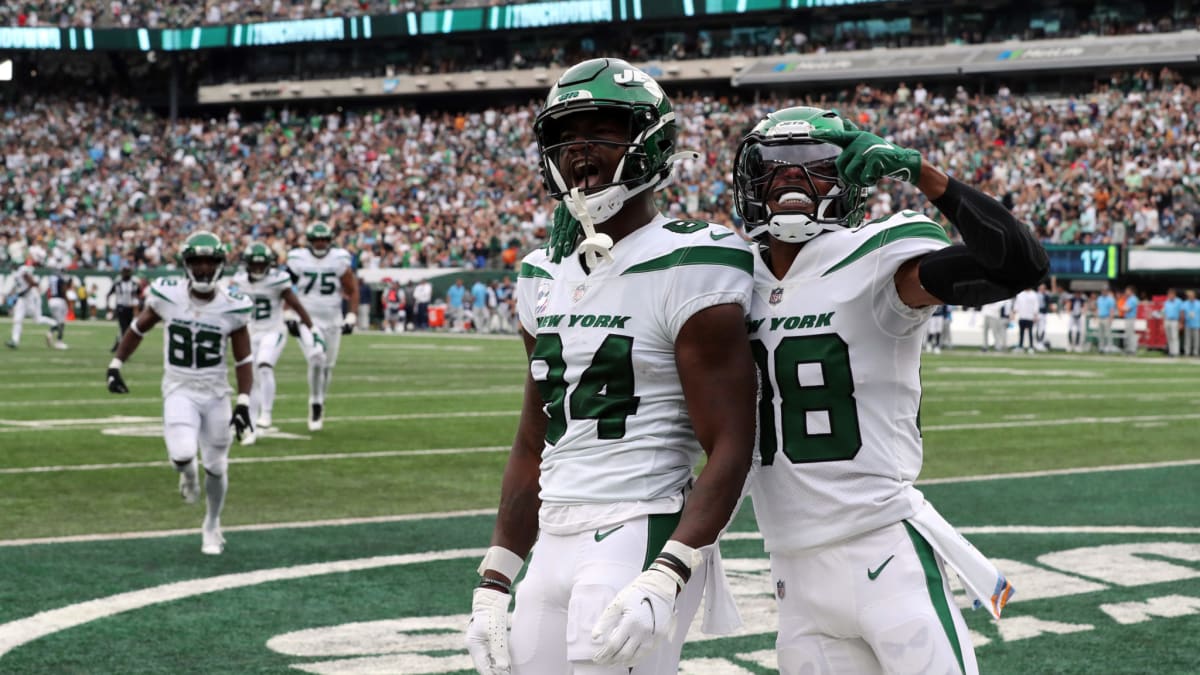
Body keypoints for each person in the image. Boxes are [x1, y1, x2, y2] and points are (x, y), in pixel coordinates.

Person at [465, 58, 757, 675]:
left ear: (651, 144)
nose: (580, 151)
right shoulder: (541, 275)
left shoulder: (694, 260)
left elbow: (732, 441)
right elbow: (535, 437)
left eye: (602, 131)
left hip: (640, 522)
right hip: (556, 528)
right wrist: (495, 579)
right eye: (566, 137)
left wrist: (674, 566)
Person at [733, 106, 1047, 675]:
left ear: (850, 179)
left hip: (882, 552)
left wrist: (925, 175)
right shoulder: (731, 279)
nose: (791, 180)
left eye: (813, 167)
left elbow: (1020, 265)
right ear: (748, 182)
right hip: (790, 570)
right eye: (774, 168)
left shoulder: (877, 260)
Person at [104, 231, 254, 555]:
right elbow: (137, 329)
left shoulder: (233, 306)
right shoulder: (168, 296)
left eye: (208, 261)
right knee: (183, 455)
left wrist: (243, 401)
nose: (202, 268)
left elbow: (244, 358)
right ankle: (187, 476)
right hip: (179, 388)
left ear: (219, 265)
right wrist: (116, 363)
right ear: (185, 265)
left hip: (215, 393)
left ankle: (212, 524)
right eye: (196, 262)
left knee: (217, 465)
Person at [231, 242, 324, 442]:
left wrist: (312, 328)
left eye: (261, 265)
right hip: (250, 332)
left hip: (273, 331)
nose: (257, 269)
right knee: (252, 380)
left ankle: (267, 413)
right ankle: (251, 427)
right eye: (254, 265)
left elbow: (296, 304)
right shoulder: (238, 281)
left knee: (265, 365)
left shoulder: (277, 280)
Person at [286, 222, 358, 431]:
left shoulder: (339, 259)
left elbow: (352, 290)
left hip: (332, 318)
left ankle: (320, 399)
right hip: (307, 318)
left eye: (324, 240)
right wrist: (288, 312)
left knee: (327, 366)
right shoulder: (298, 259)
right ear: (309, 241)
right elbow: (285, 288)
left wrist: (351, 315)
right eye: (317, 240)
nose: (320, 243)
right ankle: (315, 402)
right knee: (317, 357)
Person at [5, 262, 58, 349]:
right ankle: (15, 341)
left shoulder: (22, 270)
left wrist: (24, 292)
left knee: (37, 319)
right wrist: (13, 293)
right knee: (17, 319)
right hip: (23, 299)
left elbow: (32, 283)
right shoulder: (16, 273)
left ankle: (54, 323)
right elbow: (19, 286)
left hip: (31, 297)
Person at [108, 265, 142, 352]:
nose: (126, 274)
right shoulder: (117, 284)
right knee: (124, 328)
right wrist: (109, 308)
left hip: (130, 308)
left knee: (127, 328)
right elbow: (109, 294)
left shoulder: (134, 284)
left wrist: (136, 307)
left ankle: (118, 345)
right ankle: (123, 349)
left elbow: (138, 295)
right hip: (121, 308)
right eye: (125, 272)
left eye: (127, 272)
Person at [45, 266, 72, 349]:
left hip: (51, 300)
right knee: (61, 322)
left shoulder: (51, 279)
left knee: (56, 320)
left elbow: (48, 291)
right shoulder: (60, 279)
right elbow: (63, 291)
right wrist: (68, 302)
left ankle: (50, 333)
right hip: (59, 300)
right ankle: (59, 341)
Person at [1160, 288, 1182, 357]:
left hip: (1175, 321)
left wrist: (1181, 322)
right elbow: (1163, 313)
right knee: (1169, 337)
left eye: (1171, 294)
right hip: (1167, 320)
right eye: (1169, 294)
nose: (1170, 295)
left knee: (1174, 337)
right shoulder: (1166, 302)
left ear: (1174, 294)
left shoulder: (1179, 301)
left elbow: (1181, 312)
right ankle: (1171, 352)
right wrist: (1162, 323)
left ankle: (1176, 352)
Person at [1095, 287, 1117, 353]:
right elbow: (1097, 308)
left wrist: (1111, 318)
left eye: (1105, 291)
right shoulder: (1099, 298)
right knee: (1100, 334)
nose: (1103, 292)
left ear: (1107, 291)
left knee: (1108, 334)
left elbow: (1112, 310)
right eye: (1102, 291)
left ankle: (1109, 348)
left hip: (1107, 317)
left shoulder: (1110, 299)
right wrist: (1096, 317)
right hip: (1100, 317)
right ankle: (1101, 348)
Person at [1121, 286, 1140, 355]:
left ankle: (1132, 350)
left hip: (1131, 318)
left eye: (1127, 291)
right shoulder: (1128, 299)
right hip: (1128, 318)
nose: (1126, 292)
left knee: (1131, 335)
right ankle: (1128, 349)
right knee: (1128, 335)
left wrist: (1122, 308)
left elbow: (1126, 309)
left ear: (1131, 291)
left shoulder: (1133, 299)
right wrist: (1123, 308)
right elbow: (1124, 307)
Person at [1184, 289, 1200, 357]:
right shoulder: (1185, 303)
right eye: (1189, 296)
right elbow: (1182, 313)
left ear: (1194, 296)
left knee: (1196, 339)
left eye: (1191, 295)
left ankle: (1195, 353)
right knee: (1187, 339)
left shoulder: (1199, 303)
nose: (1190, 297)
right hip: (1188, 324)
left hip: (1197, 324)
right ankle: (1187, 353)